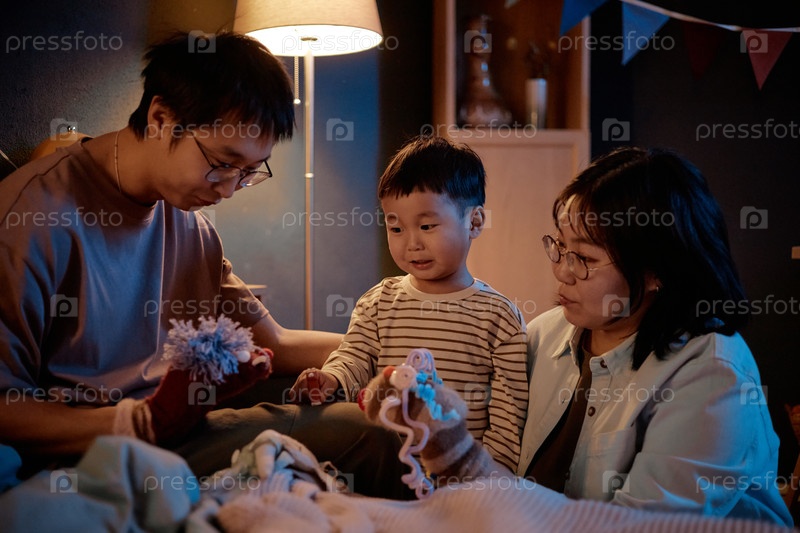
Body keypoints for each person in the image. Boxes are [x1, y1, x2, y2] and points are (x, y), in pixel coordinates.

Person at [0, 31, 408, 498]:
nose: (229, 189)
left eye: (249, 172)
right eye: (223, 163)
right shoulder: (32, 218)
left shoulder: (191, 225)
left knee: (378, 424)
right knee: (368, 439)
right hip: (92, 454)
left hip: (183, 431)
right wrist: (141, 421)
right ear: (161, 119)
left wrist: (395, 349)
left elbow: (273, 342)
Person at [361, 146, 793, 525]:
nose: (562, 272)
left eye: (583, 257)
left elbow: (637, 528)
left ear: (655, 271)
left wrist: (460, 458)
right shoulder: (549, 333)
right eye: (560, 247)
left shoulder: (712, 376)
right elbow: (461, 355)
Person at [290, 135, 529, 471]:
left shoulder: (498, 316)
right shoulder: (378, 302)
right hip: (384, 470)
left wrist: (488, 477)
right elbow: (354, 358)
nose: (411, 243)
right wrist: (330, 379)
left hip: (461, 477)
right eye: (396, 228)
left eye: (427, 226)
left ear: (474, 222)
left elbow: (509, 416)